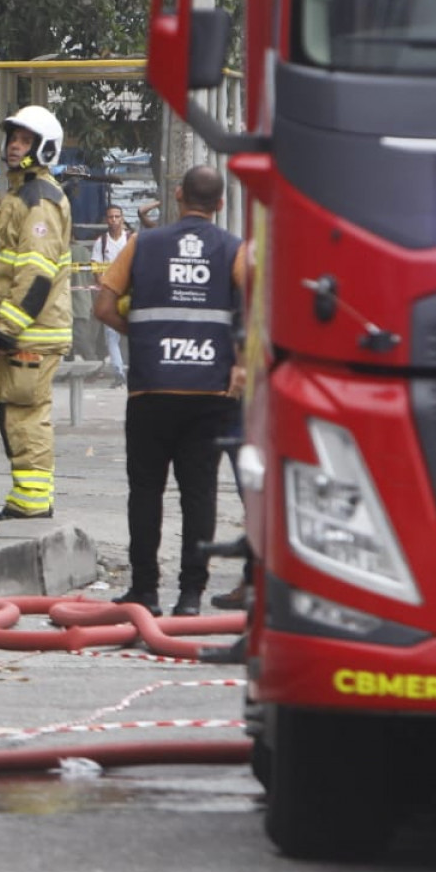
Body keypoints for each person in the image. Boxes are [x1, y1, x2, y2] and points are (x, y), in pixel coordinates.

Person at [93, 164, 246, 618]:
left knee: (146, 491)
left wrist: (140, 334)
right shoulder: (235, 251)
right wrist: (237, 363)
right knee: (199, 494)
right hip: (209, 393)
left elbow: (103, 305)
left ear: (178, 196)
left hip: (151, 389)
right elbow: (260, 310)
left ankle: (144, 591)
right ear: (219, 204)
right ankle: (191, 597)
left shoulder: (143, 243)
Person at [0, 105, 74, 520]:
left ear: (44, 148)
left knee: (25, 411)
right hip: (26, 327)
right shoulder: (22, 193)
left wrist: (6, 329)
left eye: (24, 141)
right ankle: (28, 496)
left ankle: (32, 501)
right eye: (13, 139)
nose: (14, 147)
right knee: (12, 407)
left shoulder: (38, 199)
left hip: (30, 332)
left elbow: (37, 274)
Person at [93, 204, 134, 387]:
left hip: (131, 293)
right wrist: (106, 288)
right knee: (112, 335)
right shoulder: (101, 242)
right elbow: (96, 268)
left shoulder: (131, 239)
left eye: (118, 216)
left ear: (123, 218)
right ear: (106, 219)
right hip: (111, 294)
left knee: (135, 333)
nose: (114, 220)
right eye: (111, 217)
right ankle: (118, 373)